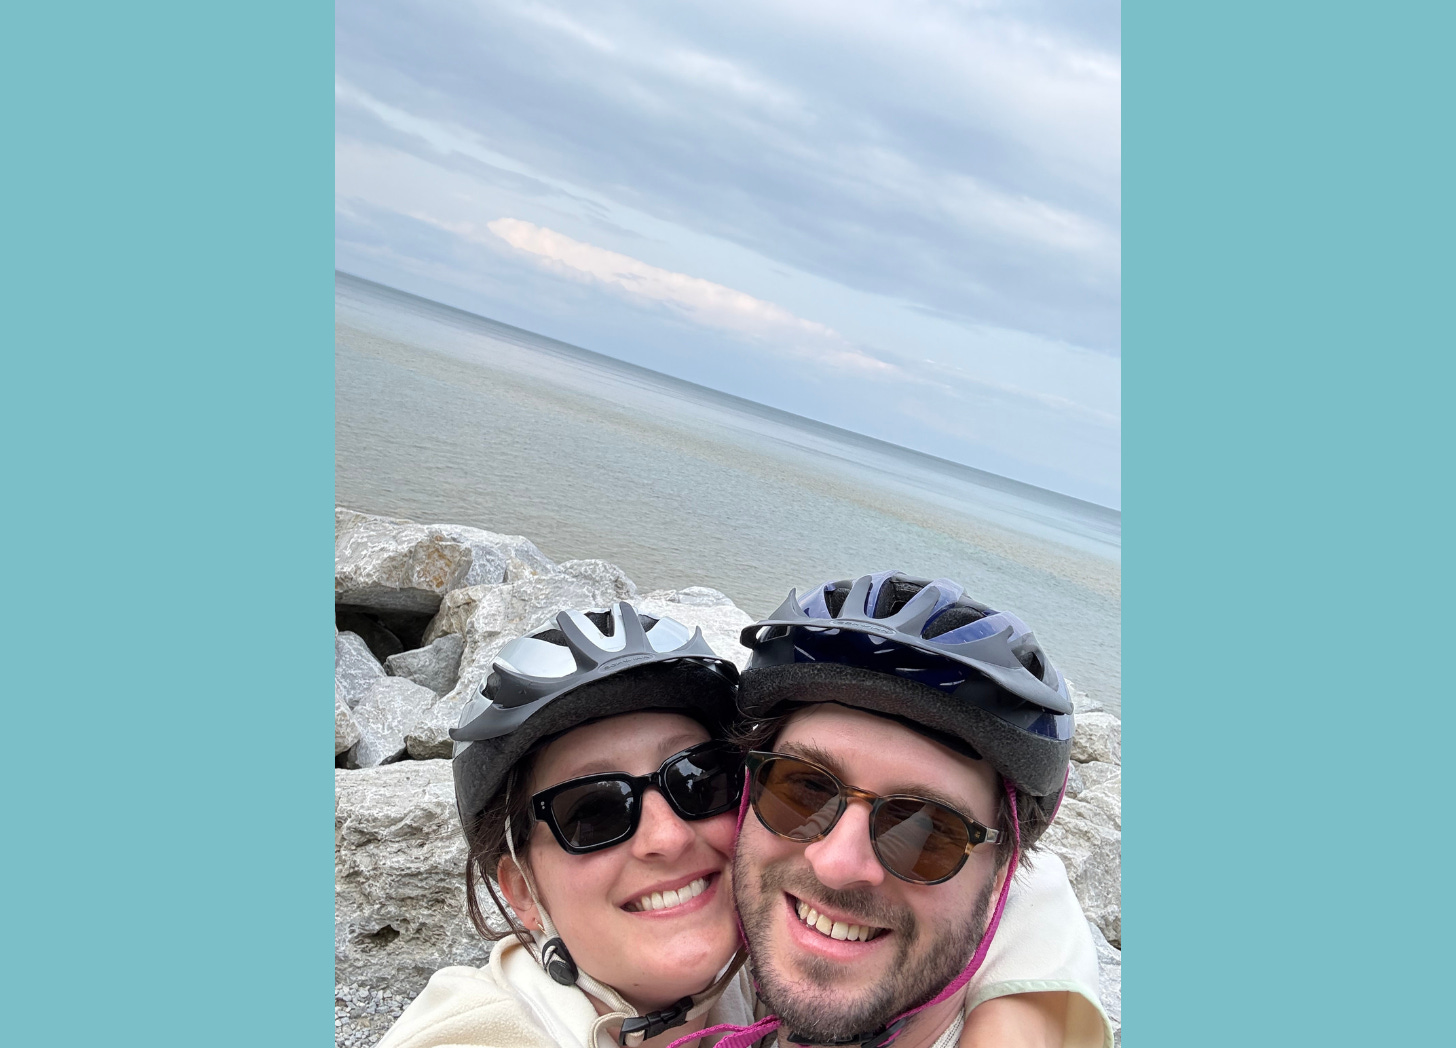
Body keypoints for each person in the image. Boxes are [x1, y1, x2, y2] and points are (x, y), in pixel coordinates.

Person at [378, 593, 1110, 1048]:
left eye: (698, 782)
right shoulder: (489, 1027)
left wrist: (1025, 1018)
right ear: (523, 892)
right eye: (593, 812)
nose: (666, 837)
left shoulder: (752, 969)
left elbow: (1029, 891)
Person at [723, 571, 1111, 1048]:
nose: (836, 865)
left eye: (925, 830)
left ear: (1001, 876)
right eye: (803, 790)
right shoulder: (706, 989)